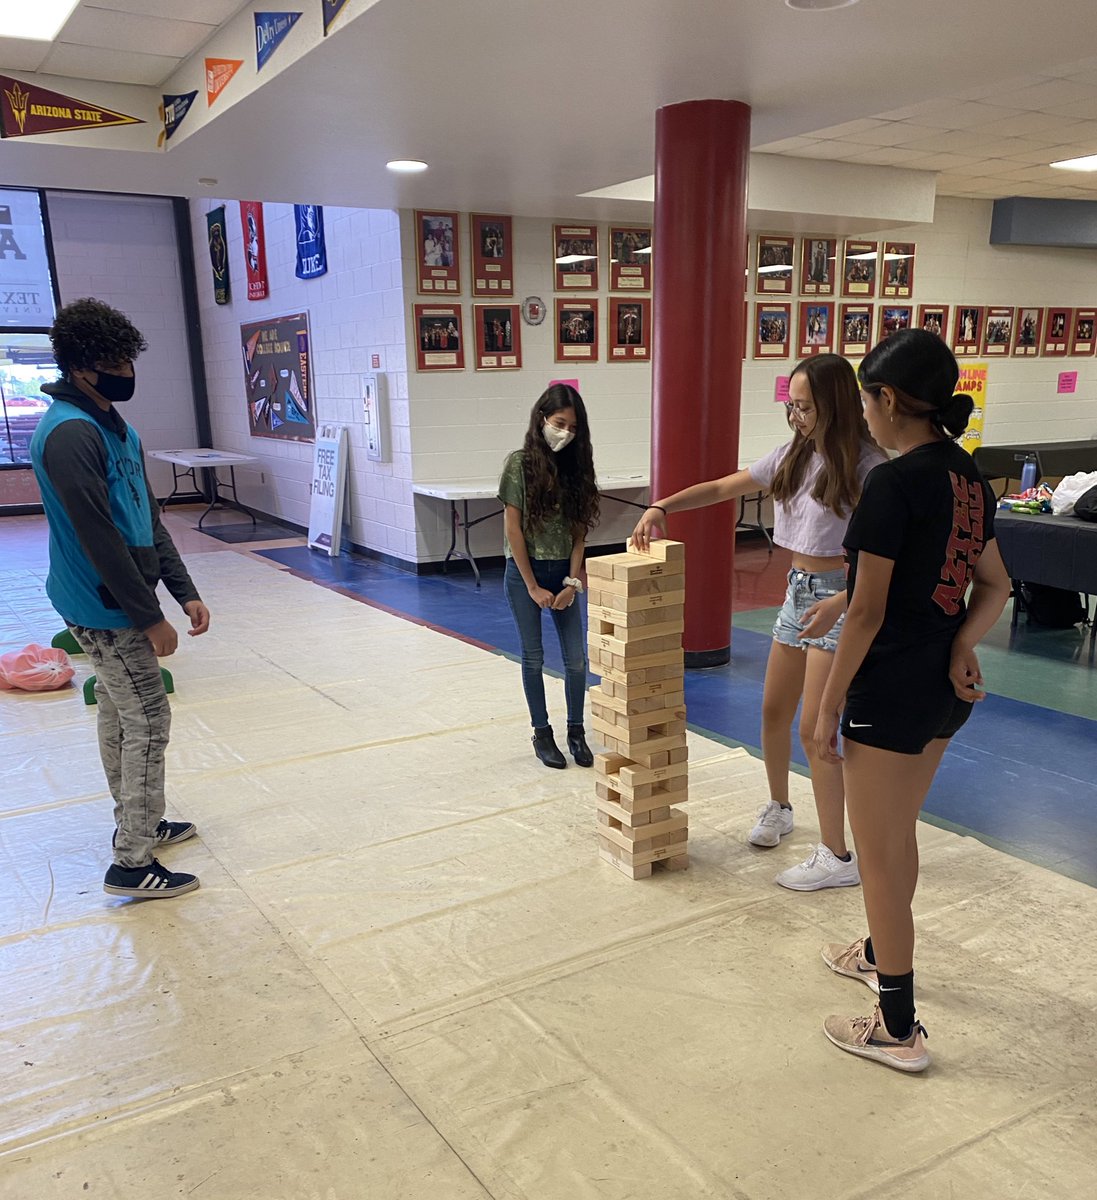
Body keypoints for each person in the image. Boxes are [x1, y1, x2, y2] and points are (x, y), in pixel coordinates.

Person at [814, 329, 1010, 1072]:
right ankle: (876, 948)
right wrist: (962, 643)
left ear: (887, 400)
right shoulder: (965, 477)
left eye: (866, 402)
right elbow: (991, 585)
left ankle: (896, 1025)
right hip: (940, 691)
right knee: (897, 836)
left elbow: (869, 612)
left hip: (888, 691)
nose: (862, 416)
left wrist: (829, 704)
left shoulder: (893, 484)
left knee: (881, 852)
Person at [632, 355, 886, 889]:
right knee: (773, 710)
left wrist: (845, 600)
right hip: (797, 592)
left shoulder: (868, 467)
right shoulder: (794, 454)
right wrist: (662, 506)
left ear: (834, 405)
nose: (794, 415)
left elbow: (888, 555)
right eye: (789, 404)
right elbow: (725, 487)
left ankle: (837, 854)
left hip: (840, 597)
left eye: (804, 406)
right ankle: (779, 805)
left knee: (816, 731)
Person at [29, 299, 210, 900]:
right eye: (112, 362)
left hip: (122, 594)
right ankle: (132, 860)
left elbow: (147, 517)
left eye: (129, 359)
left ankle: (140, 823)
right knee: (148, 719)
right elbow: (99, 536)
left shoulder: (115, 426)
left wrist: (183, 591)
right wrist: (148, 616)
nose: (125, 371)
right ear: (80, 367)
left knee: (117, 708)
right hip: (101, 602)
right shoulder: (68, 433)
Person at [499, 384, 600, 769]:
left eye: (573, 428)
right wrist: (532, 586)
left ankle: (576, 730)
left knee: (576, 659)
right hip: (525, 572)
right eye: (560, 424)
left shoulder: (576, 468)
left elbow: (579, 535)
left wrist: (572, 583)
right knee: (534, 656)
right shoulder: (519, 464)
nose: (566, 433)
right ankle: (542, 732)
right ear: (542, 418)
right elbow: (513, 530)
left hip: (564, 574)